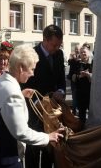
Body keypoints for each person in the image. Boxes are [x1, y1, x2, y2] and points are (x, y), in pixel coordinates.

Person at [0, 44, 64, 167]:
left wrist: (20, 95)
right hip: (5, 157)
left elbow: (3, 103)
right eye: (32, 69)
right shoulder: (11, 92)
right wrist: (48, 137)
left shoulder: (2, 80)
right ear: (21, 68)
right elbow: (21, 132)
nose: (33, 74)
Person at [23, 24, 66, 168]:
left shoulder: (59, 55)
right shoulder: (31, 55)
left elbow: (61, 79)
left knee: (51, 147)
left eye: (59, 45)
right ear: (45, 40)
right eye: (54, 45)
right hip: (34, 111)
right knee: (34, 149)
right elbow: (25, 84)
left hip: (52, 111)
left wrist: (61, 91)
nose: (56, 49)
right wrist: (36, 102)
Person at [71, 46, 93, 123]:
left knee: (93, 113)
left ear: (89, 53)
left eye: (84, 52)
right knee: (81, 113)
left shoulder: (93, 63)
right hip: (80, 92)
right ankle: (82, 128)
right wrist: (79, 76)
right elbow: (72, 77)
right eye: (81, 52)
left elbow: (98, 77)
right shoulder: (77, 63)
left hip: (91, 93)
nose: (83, 53)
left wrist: (89, 75)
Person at [67, 45, 81, 114]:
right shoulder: (72, 58)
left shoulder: (81, 58)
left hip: (80, 80)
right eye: (76, 49)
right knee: (74, 95)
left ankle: (77, 109)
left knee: (78, 95)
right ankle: (74, 110)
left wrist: (77, 60)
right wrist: (72, 58)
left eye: (78, 49)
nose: (77, 50)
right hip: (73, 80)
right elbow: (69, 62)